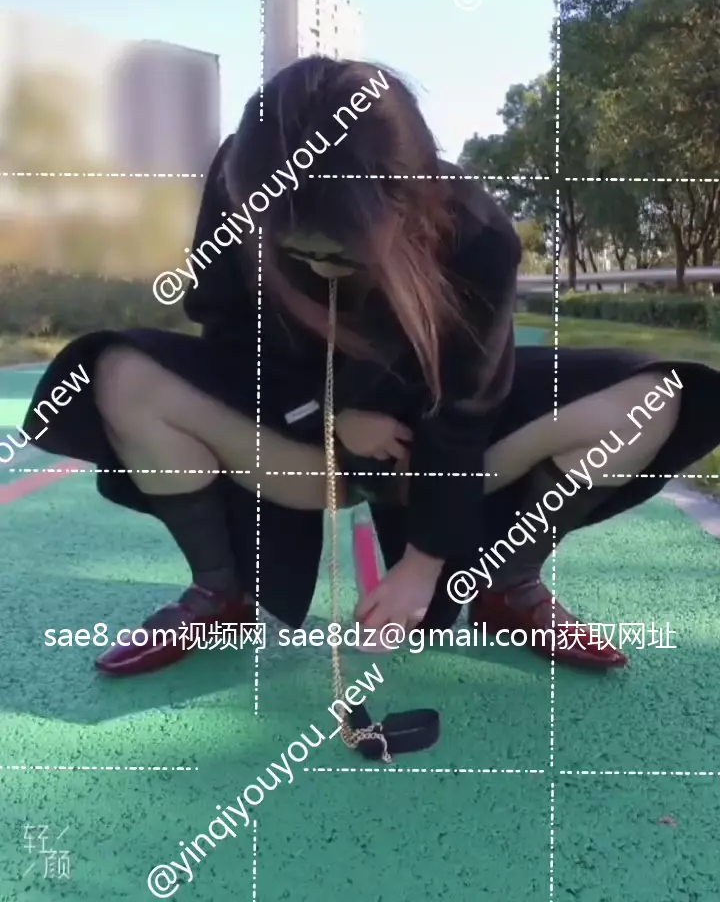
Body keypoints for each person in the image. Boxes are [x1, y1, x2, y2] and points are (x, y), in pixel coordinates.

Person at [25, 56, 720, 678]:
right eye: (291, 248)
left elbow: (468, 405)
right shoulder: (244, 179)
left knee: (653, 399)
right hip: (295, 443)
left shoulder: (478, 232)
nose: (312, 266)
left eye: (334, 251)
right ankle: (220, 592)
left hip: (433, 455)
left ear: (409, 204)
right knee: (118, 374)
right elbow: (223, 325)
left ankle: (508, 586)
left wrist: (424, 563)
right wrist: (329, 412)